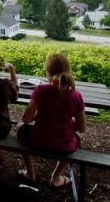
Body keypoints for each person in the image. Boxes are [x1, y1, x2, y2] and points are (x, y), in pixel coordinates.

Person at [16, 53, 86, 188]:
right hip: (64, 146)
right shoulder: (76, 95)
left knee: (20, 128)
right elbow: (82, 128)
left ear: (48, 72)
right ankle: (56, 177)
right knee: (75, 140)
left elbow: (26, 119)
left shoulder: (41, 90)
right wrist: (69, 120)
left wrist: (38, 115)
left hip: (38, 140)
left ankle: (30, 172)